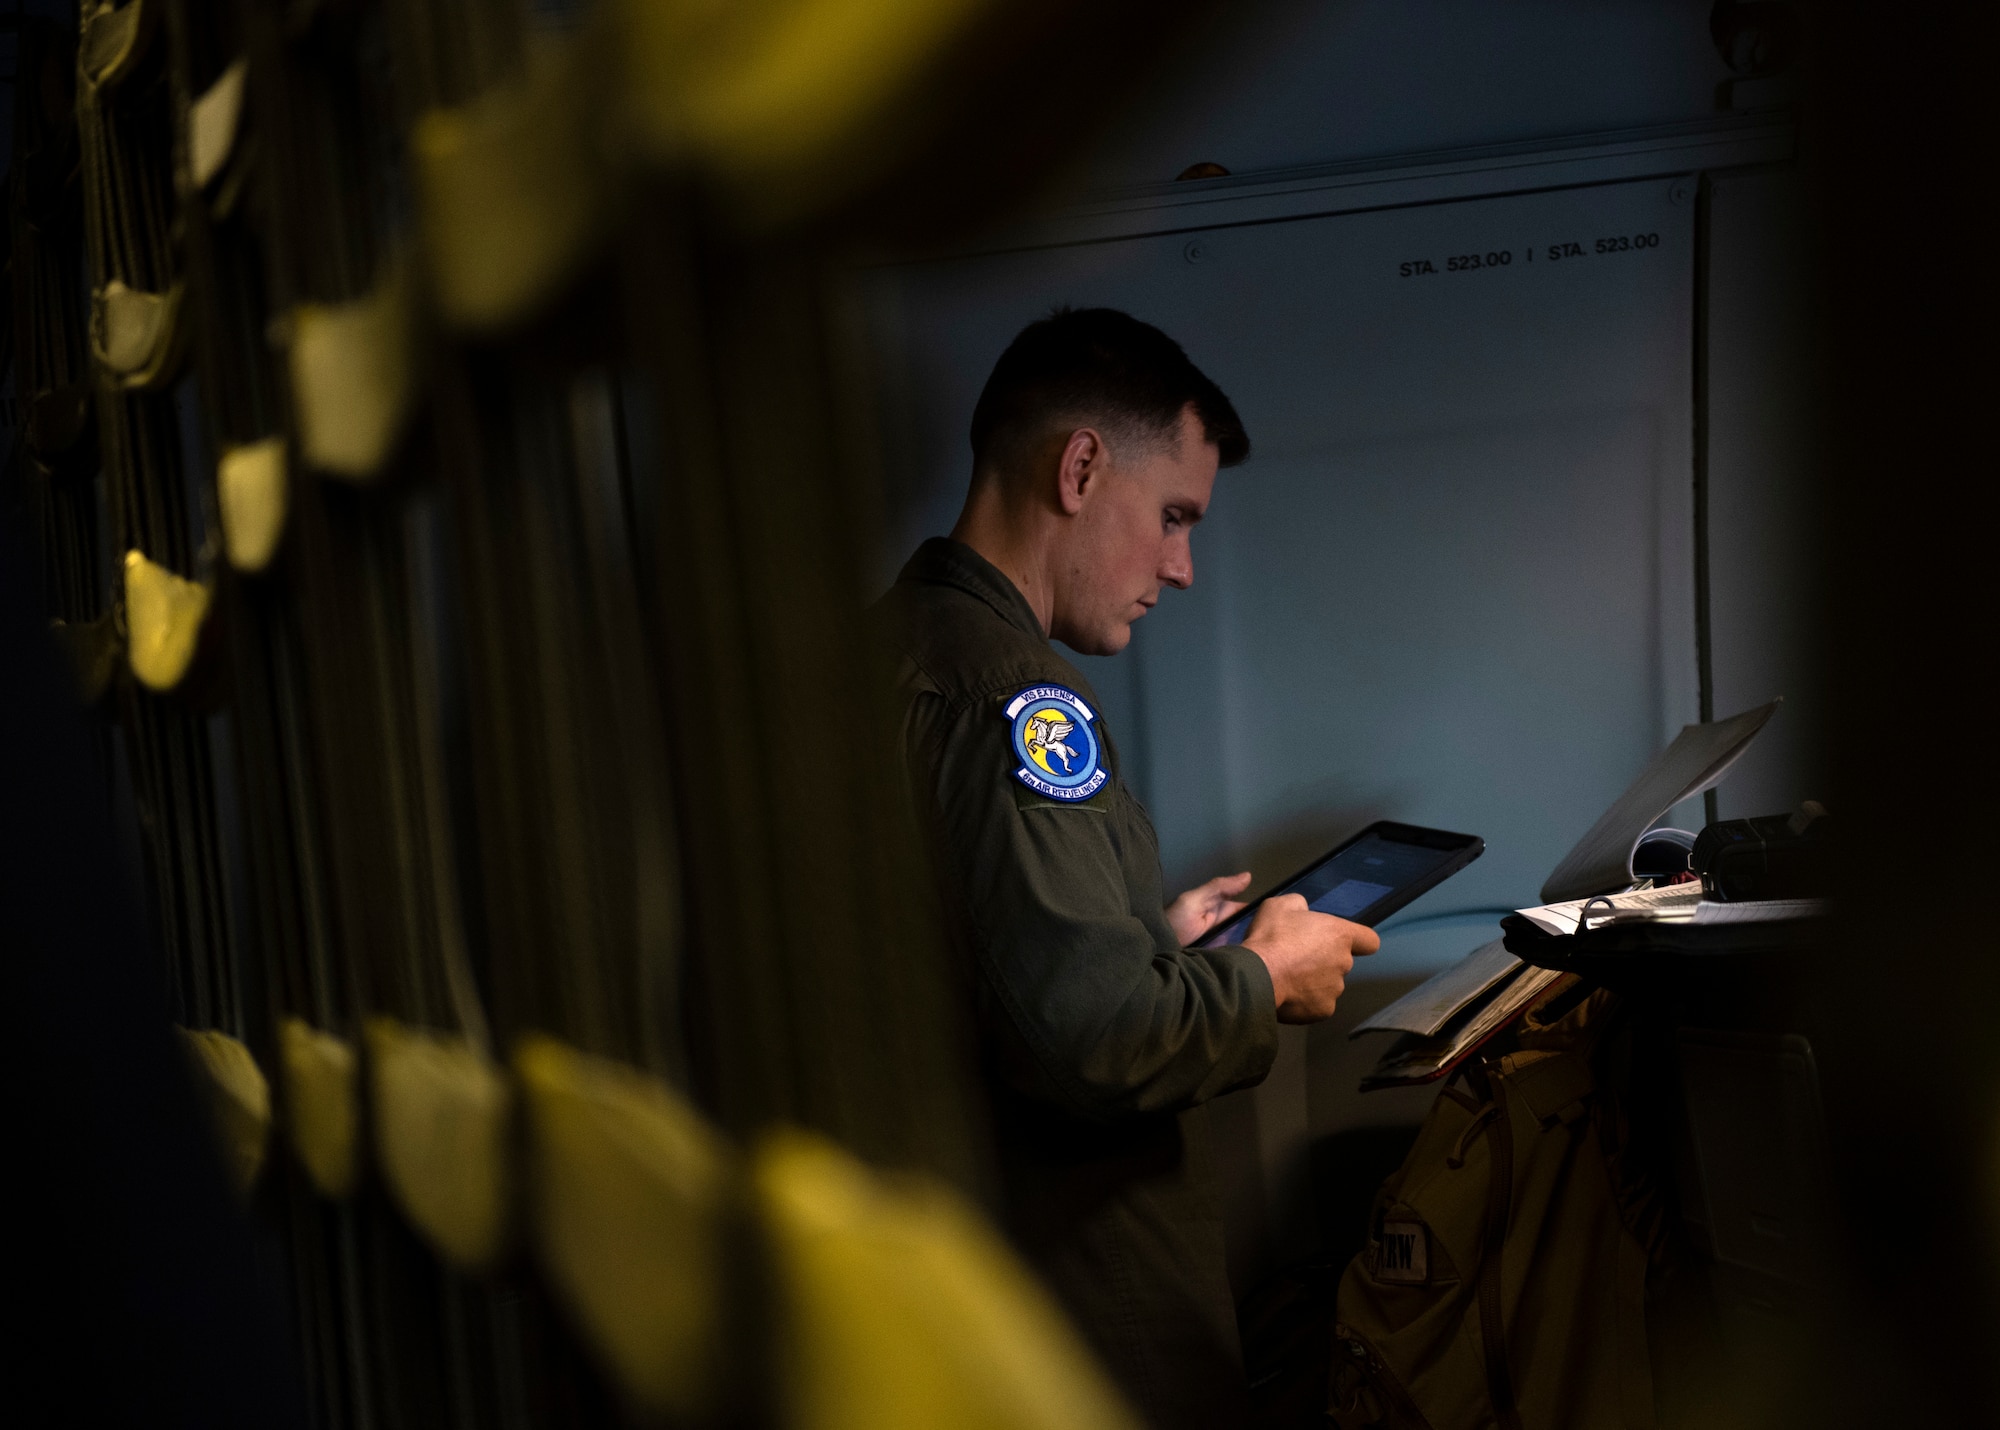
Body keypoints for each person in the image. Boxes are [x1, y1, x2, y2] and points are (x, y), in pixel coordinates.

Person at [874, 307, 1380, 1428]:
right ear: (1081, 464)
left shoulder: (891, 649)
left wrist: (1146, 938)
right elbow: (1092, 1038)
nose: (1182, 567)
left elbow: (961, 966)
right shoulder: (1018, 700)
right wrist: (1260, 980)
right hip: (1070, 1314)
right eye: (1172, 516)